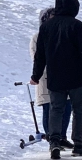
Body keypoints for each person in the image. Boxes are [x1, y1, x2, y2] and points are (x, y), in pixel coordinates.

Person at [31, 0, 82, 159]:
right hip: (76, 77)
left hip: (55, 77)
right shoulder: (77, 26)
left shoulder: (45, 28)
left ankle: (54, 142)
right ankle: (78, 144)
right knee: (79, 110)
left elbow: (40, 55)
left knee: (56, 109)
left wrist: (36, 75)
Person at [29, 8, 72, 147]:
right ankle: (52, 140)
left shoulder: (62, 34)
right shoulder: (37, 37)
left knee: (66, 108)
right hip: (47, 79)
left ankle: (62, 137)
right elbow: (37, 58)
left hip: (64, 79)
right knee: (49, 109)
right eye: (52, 17)